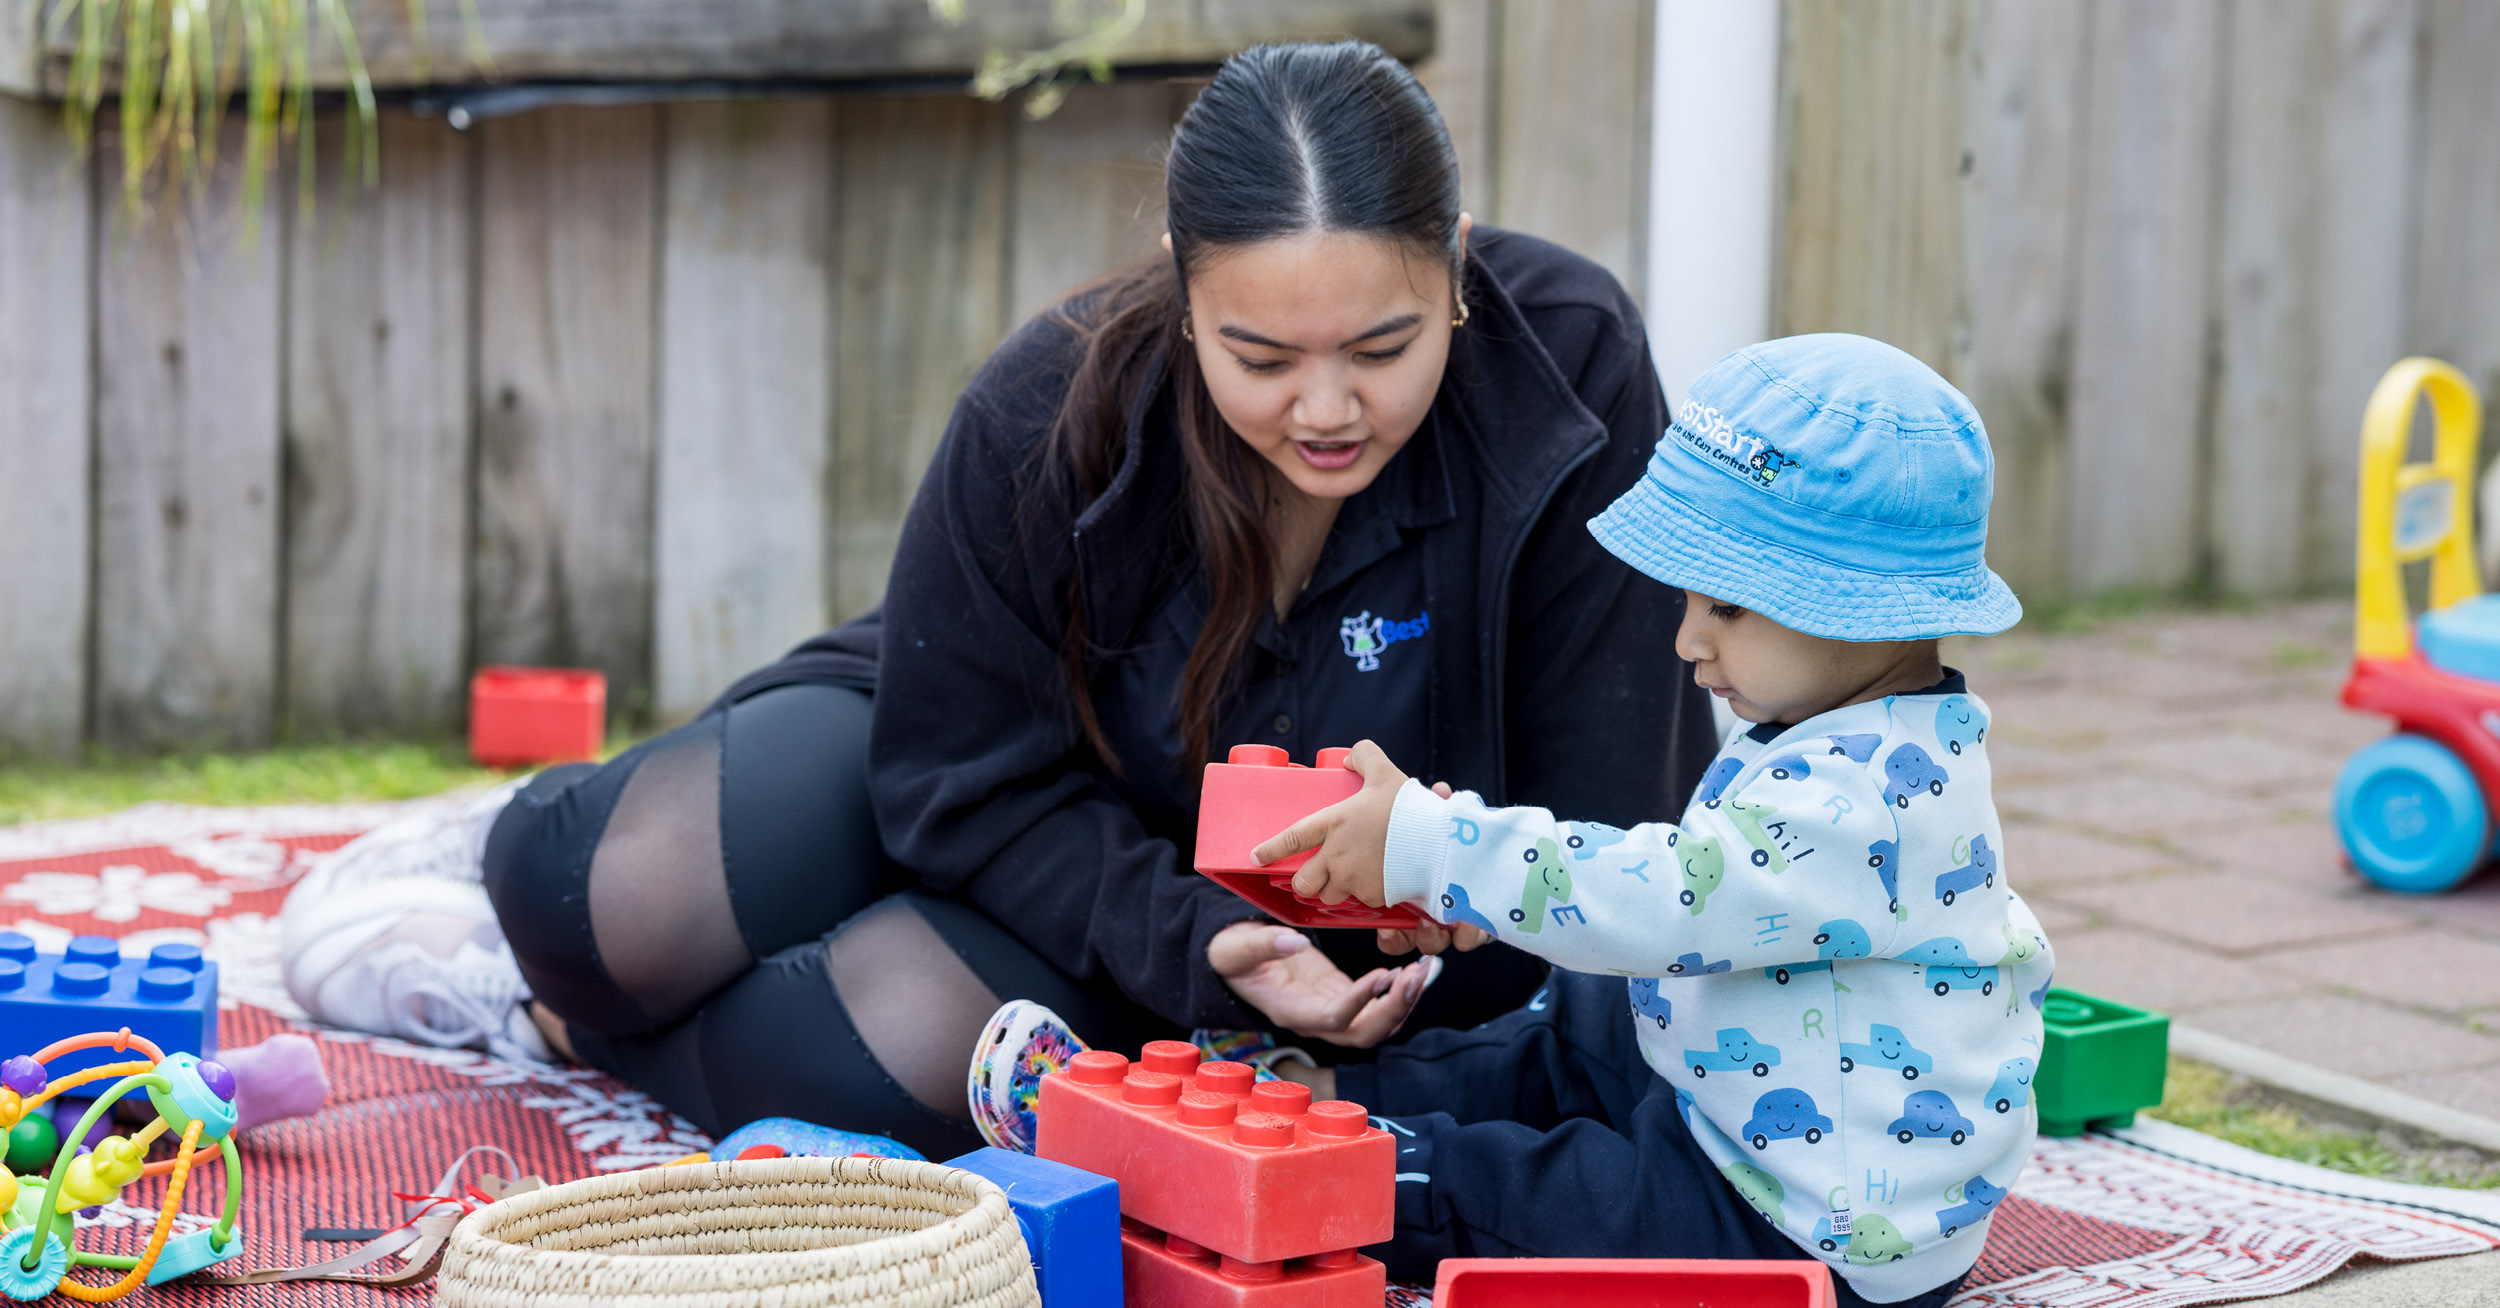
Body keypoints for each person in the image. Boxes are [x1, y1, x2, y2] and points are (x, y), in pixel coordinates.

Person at [276, 40, 1718, 1162]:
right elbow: (958, 766)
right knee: (605, 900)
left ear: (1457, 262)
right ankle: (525, 936)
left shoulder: (1568, 375)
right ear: (1181, 281)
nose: (1327, 408)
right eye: (1261, 355)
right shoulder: (1059, 398)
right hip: (994, 754)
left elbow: (1608, 821)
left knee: (862, 1072)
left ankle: (563, 1034)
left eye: (1385, 346)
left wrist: (1336, 930)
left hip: (1190, 929)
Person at [977, 334, 2050, 1306]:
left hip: (1787, 1220)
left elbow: (1671, 898)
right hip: (1737, 1087)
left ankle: (1258, 1170)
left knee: (1516, 1190)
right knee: (1563, 1030)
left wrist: (1443, 849)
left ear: (1862, 606)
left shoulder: (1858, 802)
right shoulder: (1871, 728)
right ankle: (1307, 1088)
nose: (1687, 645)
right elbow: (1698, 906)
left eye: (1724, 607)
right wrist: (1489, 876)